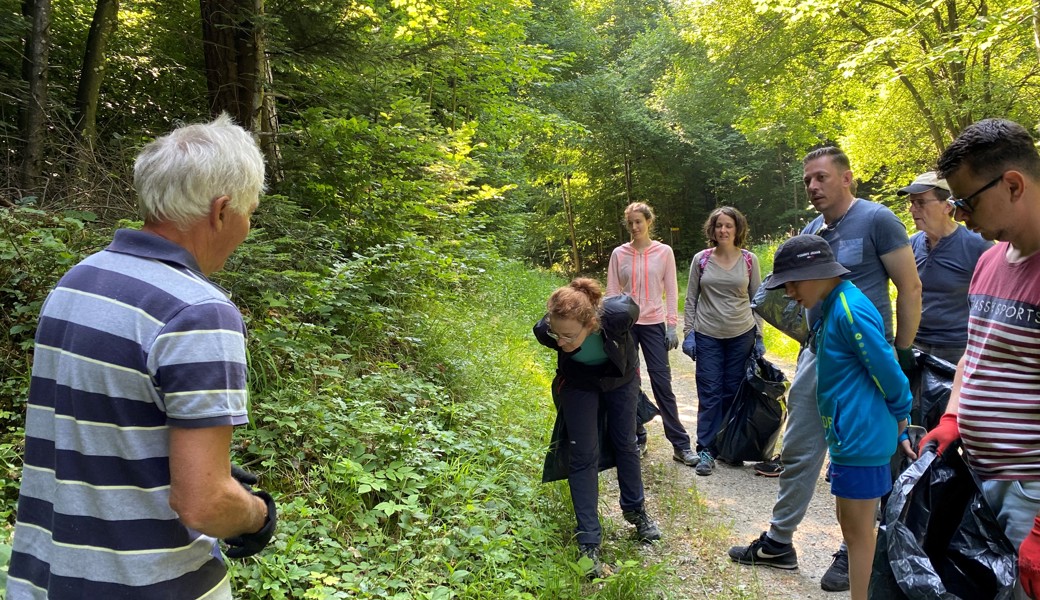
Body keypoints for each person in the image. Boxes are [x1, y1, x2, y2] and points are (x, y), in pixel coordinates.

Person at [5, 115, 277, 599]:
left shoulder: (78, 280)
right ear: (221, 211)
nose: (247, 227)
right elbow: (203, 502)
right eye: (249, 212)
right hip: (149, 584)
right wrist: (257, 514)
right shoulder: (198, 312)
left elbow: (100, 428)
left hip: (46, 577)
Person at [728, 146, 921, 593]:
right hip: (821, 352)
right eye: (807, 180)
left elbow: (910, 286)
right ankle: (780, 541)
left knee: (856, 457)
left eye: (821, 177)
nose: (813, 187)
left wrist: (904, 352)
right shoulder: (815, 230)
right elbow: (796, 293)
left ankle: (851, 551)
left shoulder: (877, 220)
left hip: (865, 357)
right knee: (802, 445)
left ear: (847, 177)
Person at [922, 118, 1040, 600]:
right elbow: (976, 353)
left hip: (1031, 493)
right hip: (981, 478)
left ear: (1012, 184)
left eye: (966, 201)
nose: (960, 214)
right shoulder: (991, 261)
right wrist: (953, 416)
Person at [763, 234, 913, 600]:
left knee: (859, 534)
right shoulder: (832, 304)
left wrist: (902, 414)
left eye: (792, 283)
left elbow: (888, 369)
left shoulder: (848, 309)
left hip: (862, 438)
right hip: (849, 439)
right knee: (850, 525)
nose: (789, 293)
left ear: (816, 273)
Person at [534, 278, 661, 578]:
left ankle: (636, 511)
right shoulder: (546, 331)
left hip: (621, 380)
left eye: (567, 336)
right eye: (556, 334)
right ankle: (588, 539)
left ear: (590, 324)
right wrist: (559, 335)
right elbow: (554, 334)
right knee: (583, 455)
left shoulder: (617, 317)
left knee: (625, 443)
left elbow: (632, 306)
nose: (559, 343)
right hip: (579, 383)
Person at [607, 202, 697, 467]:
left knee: (662, 383)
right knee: (627, 383)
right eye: (631, 223)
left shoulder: (663, 252)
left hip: (654, 323)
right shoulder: (619, 254)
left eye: (639, 222)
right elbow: (612, 293)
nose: (635, 227)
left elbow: (671, 290)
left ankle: (680, 444)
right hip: (626, 326)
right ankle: (638, 436)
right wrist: (610, 327)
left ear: (649, 222)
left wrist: (671, 326)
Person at [682, 206, 763, 476]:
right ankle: (706, 449)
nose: (723, 230)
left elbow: (757, 301)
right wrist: (688, 332)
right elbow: (691, 298)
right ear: (712, 230)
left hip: (742, 334)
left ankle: (728, 447)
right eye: (719, 226)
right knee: (710, 392)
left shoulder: (749, 260)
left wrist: (759, 337)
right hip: (707, 335)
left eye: (728, 225)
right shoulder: (702, 260)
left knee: (733, 392)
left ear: (737, 229)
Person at [898, 171, 991, 364]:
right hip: (917, 345)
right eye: (912, 203)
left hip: (959, 349)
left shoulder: (977, 245)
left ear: (947, 206)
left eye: (920, 202)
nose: (912, 209)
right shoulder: (910, 245)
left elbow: (993, 302)